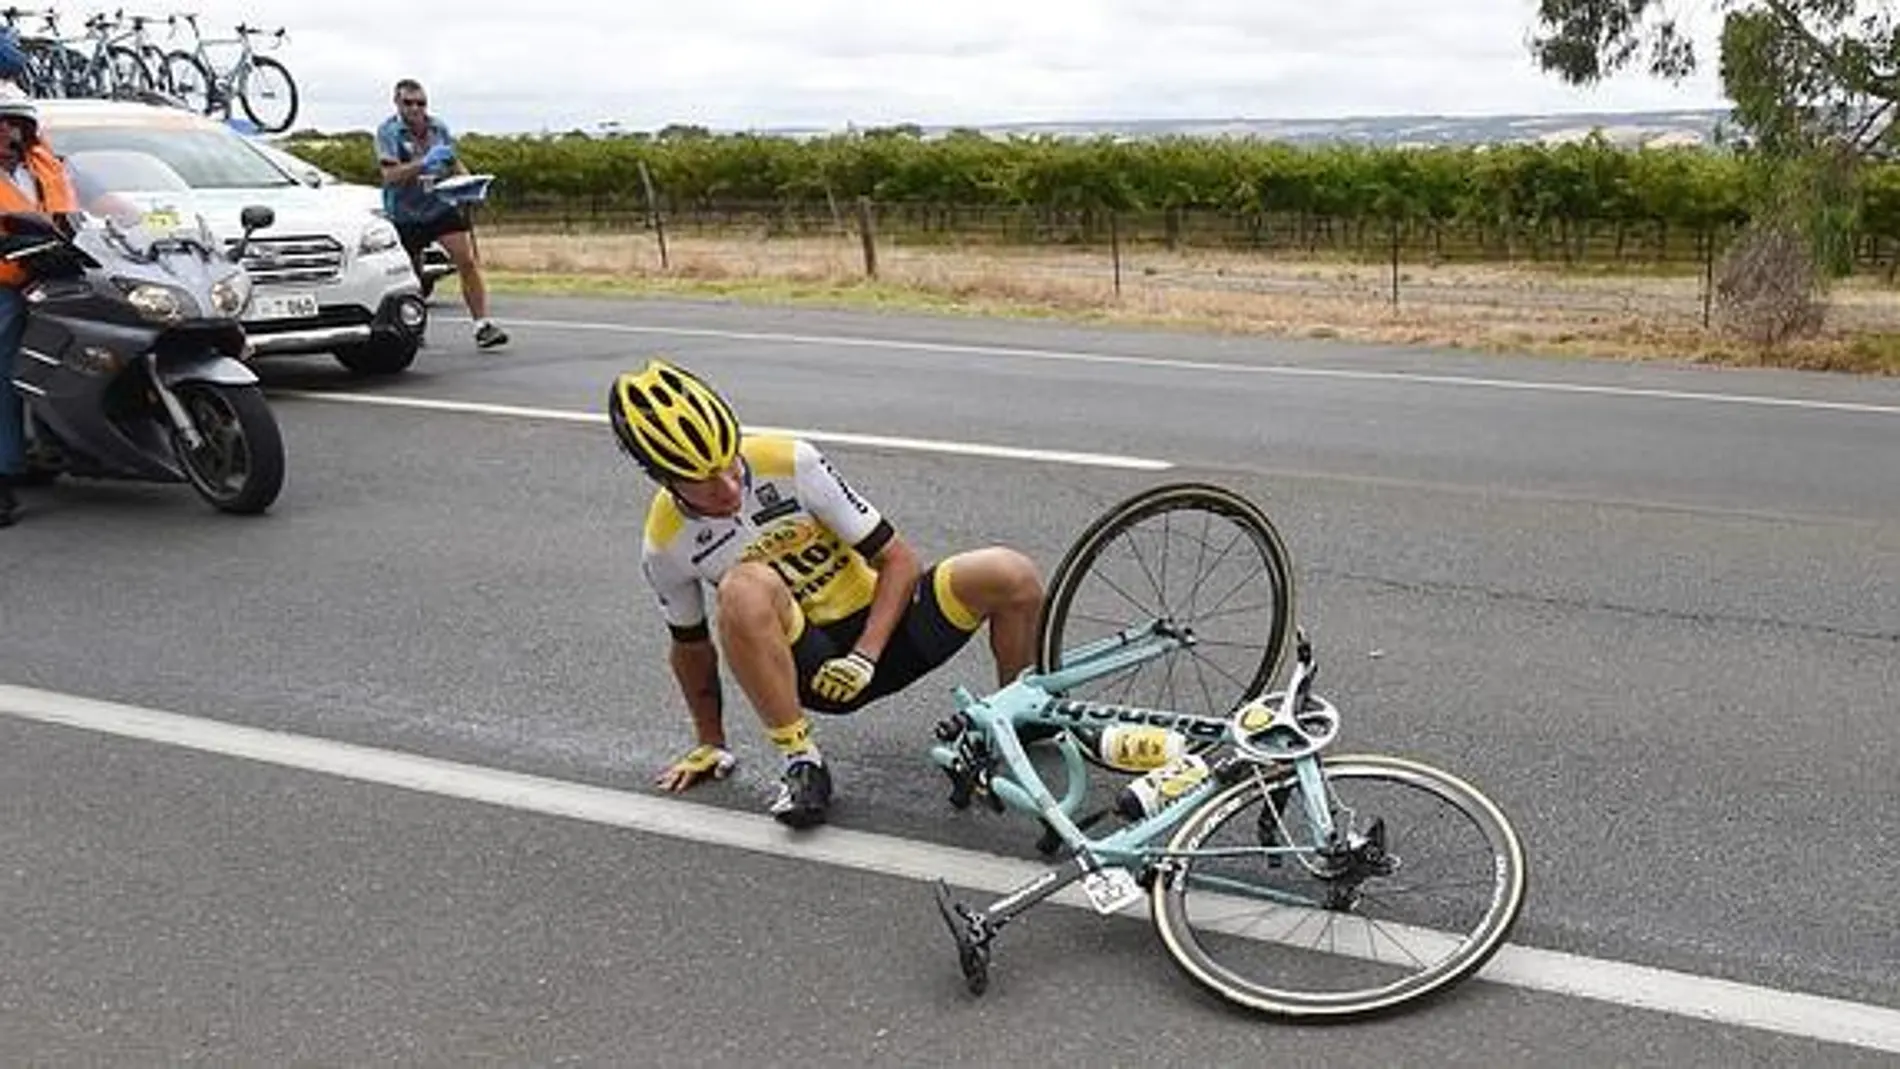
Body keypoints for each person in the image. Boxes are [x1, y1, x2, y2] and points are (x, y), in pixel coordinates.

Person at [613, 357, 1045, 828]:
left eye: (730, 464)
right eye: (705, 480)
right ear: (662, 477)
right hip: (812, 667)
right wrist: (711, 741)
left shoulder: (791, 461)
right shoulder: (665, 541)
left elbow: (898, 560)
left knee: (1011, 573)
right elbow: (690, 648)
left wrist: (865, 654)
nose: (730, 487)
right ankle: (802, 762)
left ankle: (1017, 714)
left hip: (888, 629)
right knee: (743, 585)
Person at [374, 78, 507, 349]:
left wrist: (469, 183)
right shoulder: (388, 132)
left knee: (466, 260)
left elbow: (452, 161)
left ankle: (482, 325)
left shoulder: (438, 128)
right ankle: (412, 324)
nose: (415, 109)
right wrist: (423, 163)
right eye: (408, 103)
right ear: (397, 104)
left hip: (439, 205)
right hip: (406, 212)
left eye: (420, 103)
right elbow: (390, 175)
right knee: (411, 274)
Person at [0, 78, 77, 527]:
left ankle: (62, 446)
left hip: (55, 274)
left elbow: (88, 206)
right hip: (6, 284)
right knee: (5, 370)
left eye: (13, 124)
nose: (6, 133)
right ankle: (4, 473)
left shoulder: (43, 165)